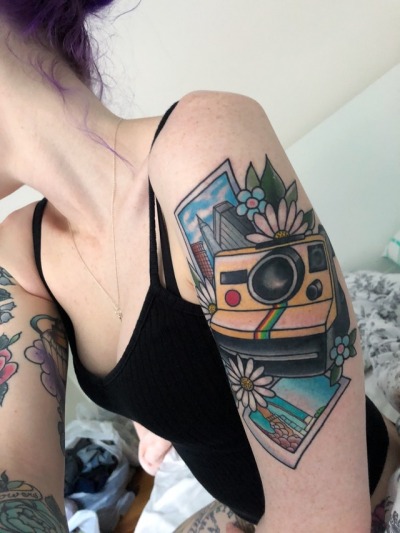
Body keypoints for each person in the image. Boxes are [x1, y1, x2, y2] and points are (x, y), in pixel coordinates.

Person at [0, 2, 398, 531]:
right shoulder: (21, 254)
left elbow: (327, 517)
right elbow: (17, 476)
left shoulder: (204, 155)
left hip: (371, 503)